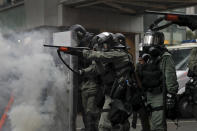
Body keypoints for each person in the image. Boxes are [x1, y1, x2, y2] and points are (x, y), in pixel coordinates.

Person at [60, 32, 137, 131]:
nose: (103, 47)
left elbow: (100, 56)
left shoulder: (119, 53)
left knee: (105, 125)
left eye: (104, 45)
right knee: (118, 121)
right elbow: (97, 69)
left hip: (120, 94)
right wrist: (82, 71)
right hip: (112, 94)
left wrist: (75, 52)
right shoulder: (111, 56)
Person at [137, 30, 178, 131]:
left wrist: (171, 94)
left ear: (159, 41)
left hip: (158, 95)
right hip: (146, 94)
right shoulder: (146, 57)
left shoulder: (165, 57)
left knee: (157, 126)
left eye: (152, 39)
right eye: (147, 39)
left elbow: (170, 77)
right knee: (147, 126)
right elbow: (139, 74)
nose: (148, 42)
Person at [70, 24, 100, 131]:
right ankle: (89, 128)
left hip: (93, 83)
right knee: (85, 111)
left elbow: (93, 64)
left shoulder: (91, 43)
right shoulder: (81, 44)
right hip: (84, 84)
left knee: (91, 112)